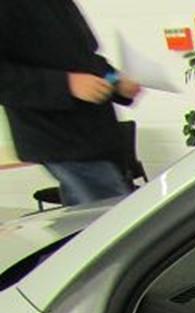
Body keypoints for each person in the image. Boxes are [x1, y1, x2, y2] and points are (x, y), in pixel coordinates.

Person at [0, 0, 141, 206]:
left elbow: (84, 59)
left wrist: (114, 80)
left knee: (99, 214)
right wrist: (66, 85)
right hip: (57, 136)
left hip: (96, 134)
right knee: (112, 215)